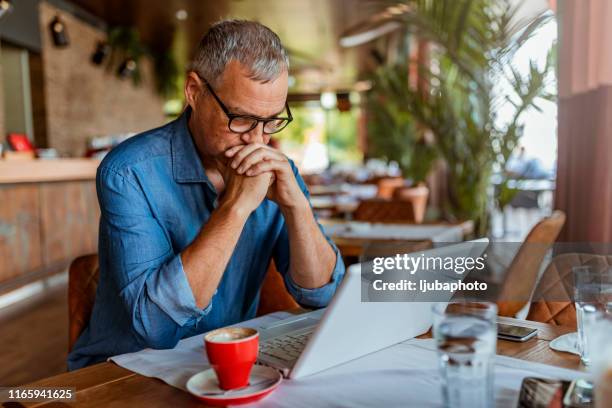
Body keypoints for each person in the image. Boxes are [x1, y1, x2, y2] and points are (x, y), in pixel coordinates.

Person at [68, 20, 345, 370]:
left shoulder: (276, 168)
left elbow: (322, 294)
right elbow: (156, 327)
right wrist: (237, 206)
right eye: (242, 119)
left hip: (223, 363)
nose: (257, 140)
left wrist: (297, 206)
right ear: (194, 91)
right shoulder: (128, 171)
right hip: (123, 371)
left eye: (272, 120)